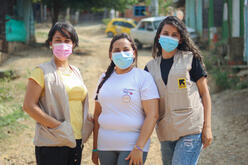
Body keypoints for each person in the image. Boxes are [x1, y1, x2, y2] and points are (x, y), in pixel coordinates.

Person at [144, 16, 213, 165]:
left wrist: (207, 127)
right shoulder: (150, 68)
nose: (170, 37)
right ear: (159, 36)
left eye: (174, 35)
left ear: (180, 39)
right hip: (165, 132)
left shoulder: (190, 59)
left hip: (191, 129)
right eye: (166, 33)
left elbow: (205, 94)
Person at [23, 22, 93, 165]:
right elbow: (29, 106)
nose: (63, 44)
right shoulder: (41, 71)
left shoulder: (76, 72)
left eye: (67, 41)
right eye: (58, 40)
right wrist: (57, 126)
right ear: (51, 43)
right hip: (53, 141)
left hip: (76, 140)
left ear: (73, 44)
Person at [91, 33, 159, 165]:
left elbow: (153, 115)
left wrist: (139, 147)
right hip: (105, 146)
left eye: (126, 49)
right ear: (110, 55)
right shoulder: (103, 79)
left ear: (134, 52)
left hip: (132, 146)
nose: (121, 53)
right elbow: (97, 115)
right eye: (116, 50)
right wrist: (95, 147)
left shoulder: (143, 77)